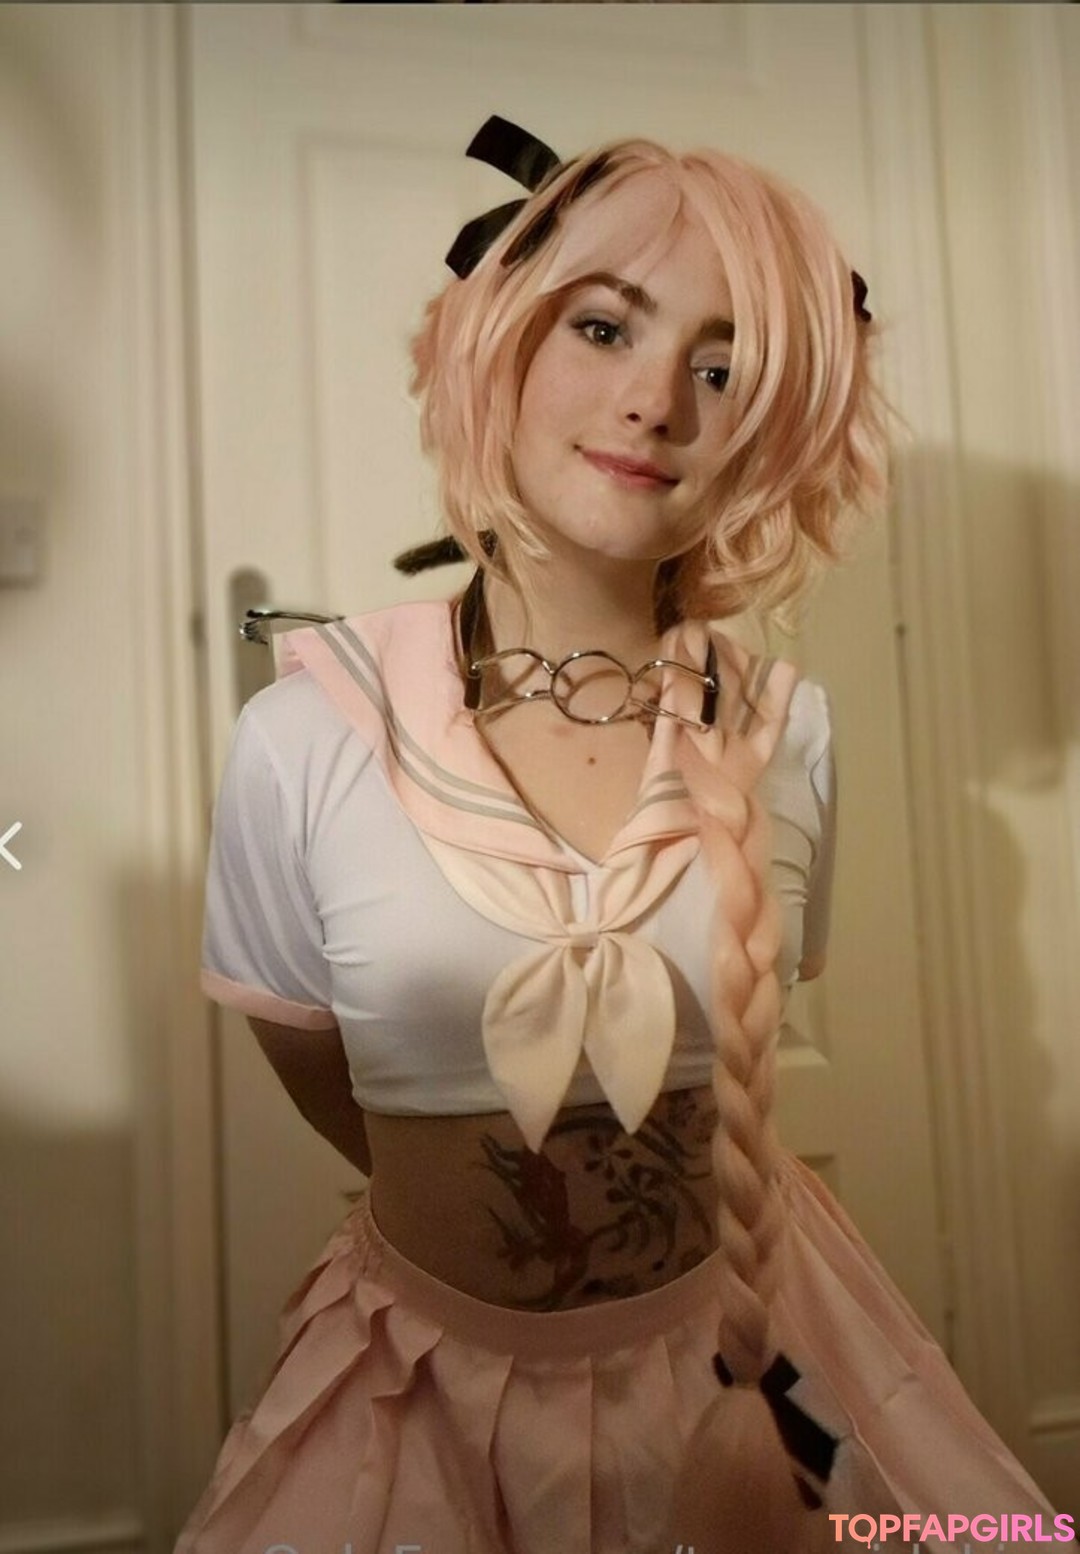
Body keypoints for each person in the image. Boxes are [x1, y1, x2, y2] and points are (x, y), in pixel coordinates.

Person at [179, 120, 1063, 1554]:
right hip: (423, 1401)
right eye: (604, 328)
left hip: (748, 1356)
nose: (654, 401)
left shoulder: (790, 732)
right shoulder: (305, 735)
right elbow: (319, 1067)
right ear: (502, 345)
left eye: (723, 368)